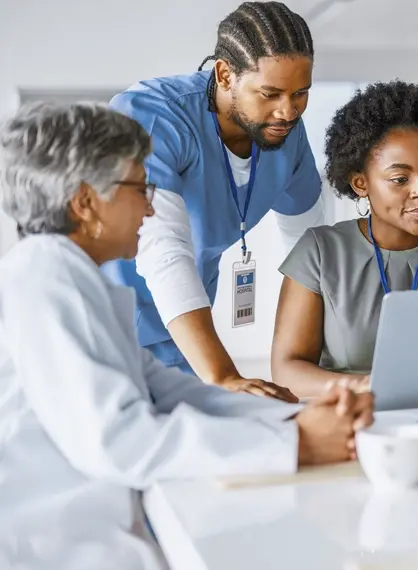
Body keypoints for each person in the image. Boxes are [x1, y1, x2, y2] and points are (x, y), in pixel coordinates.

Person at [0, 102, 374, 569]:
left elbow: (168, 391)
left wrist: (297, 417)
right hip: (58, 547)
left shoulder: (70, 276)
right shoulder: (45, 276)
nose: (150, 205)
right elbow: (120, 441)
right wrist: (295, 444)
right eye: (139, 188)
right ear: (85, 203)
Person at [101, 1, 324, 401]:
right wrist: (222, 375)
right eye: (270, 93)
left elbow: (309, 254)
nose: (288, 111)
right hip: (104, 329)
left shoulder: (286, 134)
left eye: (301, 93)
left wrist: (310, 358)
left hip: (182, 338)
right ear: (224, 74)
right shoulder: (156, 117)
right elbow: (161, 250)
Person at [271, 81, 418, 398]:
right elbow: (287, 370)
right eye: (400, 179)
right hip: (352, 419)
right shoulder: (320, 252)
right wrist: (366, 387)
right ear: (361, 183)